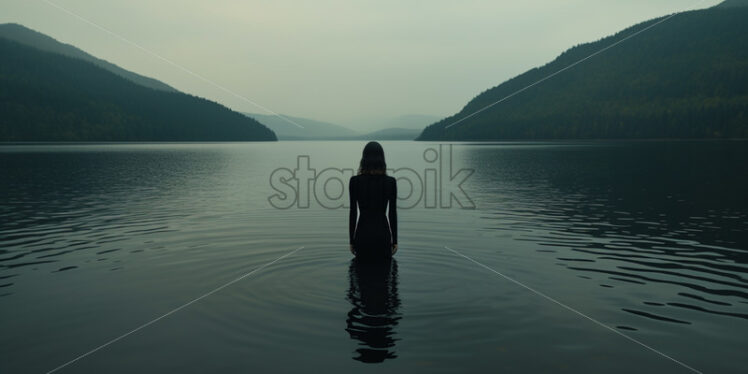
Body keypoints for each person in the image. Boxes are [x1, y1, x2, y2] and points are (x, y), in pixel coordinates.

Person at [349, 141, 398, 261]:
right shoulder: (390, 182)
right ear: (382, 159)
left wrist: (351, 240)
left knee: (361, 275)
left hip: (362, 234)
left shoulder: (354, 181)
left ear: (364, 159)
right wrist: (395, 241)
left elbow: (353, 212)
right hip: (383, 235)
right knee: (384, 276)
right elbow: (392, 213)